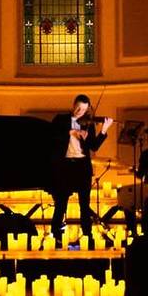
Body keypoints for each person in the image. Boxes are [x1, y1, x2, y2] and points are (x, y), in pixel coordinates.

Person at [50, 94, 112, 246]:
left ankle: (87, 235)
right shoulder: (61, 119)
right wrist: (71, 132)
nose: (80, 111)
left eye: (83, 109)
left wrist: (103, 130)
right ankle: (56, 235)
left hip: (82, 167)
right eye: (78, 108)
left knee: (84, 204)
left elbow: (94, 146)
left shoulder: (88, 123)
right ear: (73, 105)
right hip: (64, 166)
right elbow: (52, 135)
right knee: (61, 203)